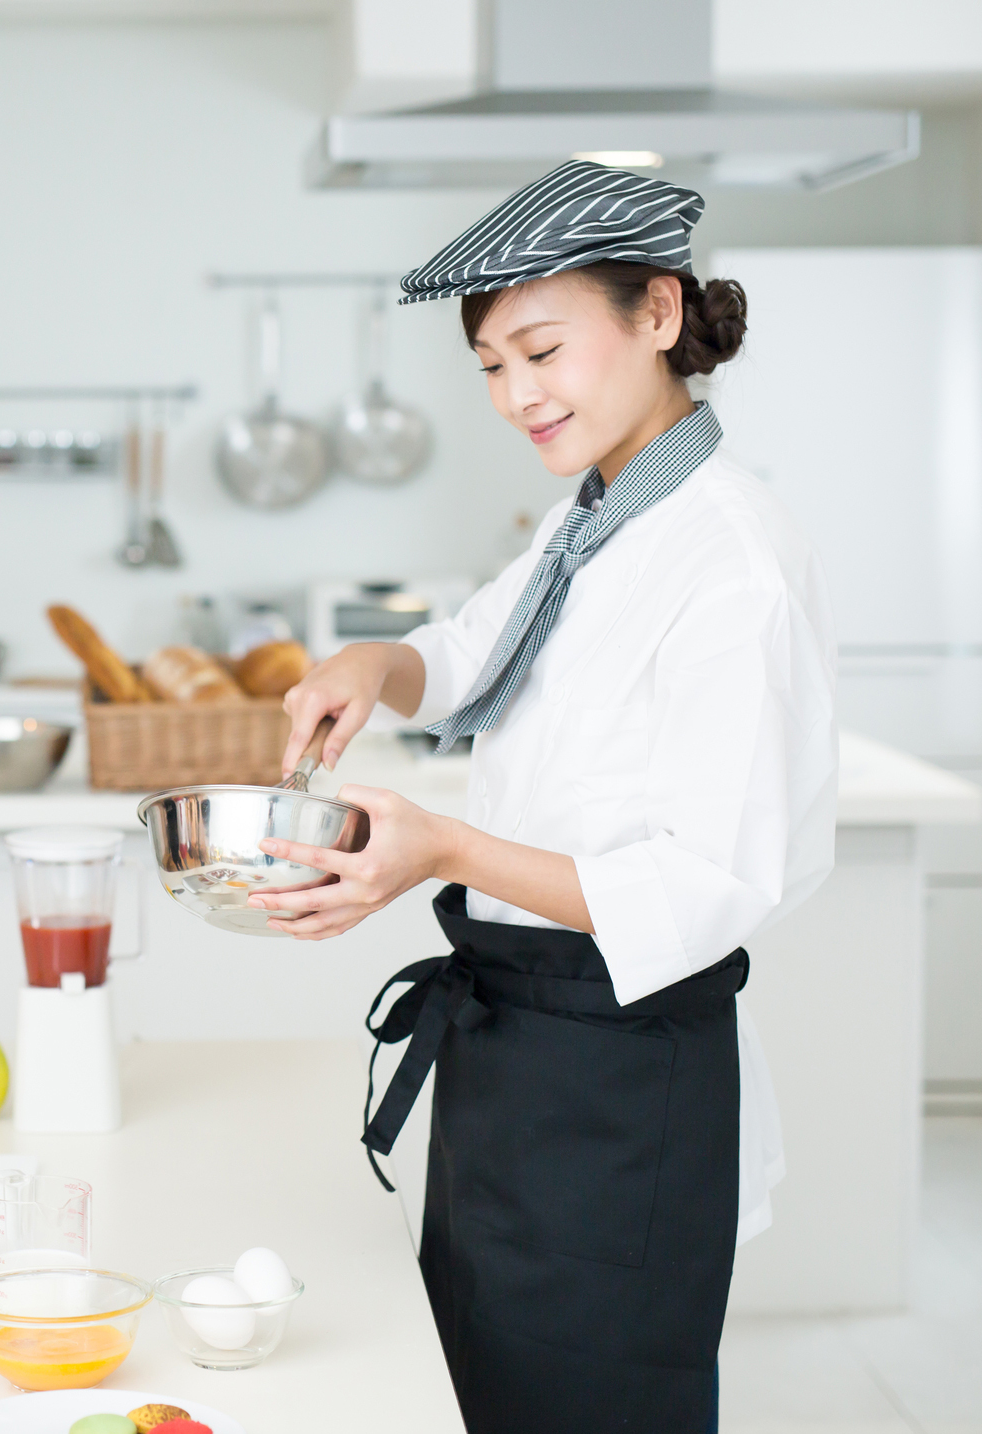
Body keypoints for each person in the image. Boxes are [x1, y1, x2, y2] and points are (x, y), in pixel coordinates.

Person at [249, 161, 837, 1433]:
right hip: (517, 1054)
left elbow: (702, 885)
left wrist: (442, 847)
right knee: (478, 1393)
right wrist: (378, 665)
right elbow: (475, 650)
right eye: (489, 368)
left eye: (540, 350)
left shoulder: (729, 560)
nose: (516, 394)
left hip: (617, 1082)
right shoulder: (597, 514)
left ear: (657, 315)